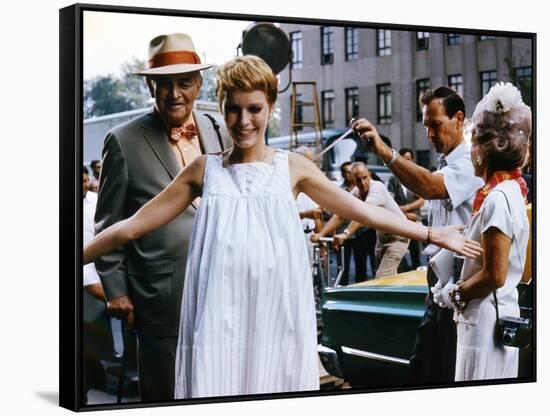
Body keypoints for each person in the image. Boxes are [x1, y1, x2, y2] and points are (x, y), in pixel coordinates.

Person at [85, 56, 481, 399]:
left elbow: (365, 213)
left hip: (277, 314)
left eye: (254, 109)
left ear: (270, 106)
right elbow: (131, 226)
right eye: (233, 110)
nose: (244, 121)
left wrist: (431, 234)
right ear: (220, 109)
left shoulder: (291, 168)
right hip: (217, 316)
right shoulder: (203, 170)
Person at [93, 32, 232, 401]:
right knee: (166, 392)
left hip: (221, 286)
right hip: (158, 295)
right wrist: (117, 291)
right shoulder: (122, 141)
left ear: (199, 83)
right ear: (150, 87)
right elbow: (108, 222)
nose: (175, 94)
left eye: (184, 83)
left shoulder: (218, 128)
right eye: (164, 84)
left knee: (217, 384)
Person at [352, 86, 485, 384]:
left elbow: (428, 187)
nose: (429, 134)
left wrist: (384, 152)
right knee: (423, 368)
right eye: (425, 125)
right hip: (437, 285)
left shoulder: (470, 164)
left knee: (444, 371)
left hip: (460, 287)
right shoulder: (446, 164)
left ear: (459, 119)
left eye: (435, 124)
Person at [432, 82, 531, 380]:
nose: (471, 150)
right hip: (492, 318)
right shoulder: (509, 190)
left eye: (472, 142)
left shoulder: (498, 199)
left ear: (485, 149)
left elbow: (495, 274)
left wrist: (454, 294)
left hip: (486, 321)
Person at [313, 162, 410, 279]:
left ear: (370, 175)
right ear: (353, 181)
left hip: (399, 236)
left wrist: (346, 234)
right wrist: (321, 234)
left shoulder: (377, 187)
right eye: (359, 180)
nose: (363, 183)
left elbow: (364, 215)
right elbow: (340, 215)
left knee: (382, 277)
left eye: (365, 178)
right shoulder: (356, 192)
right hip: (382, 237)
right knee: (388, 277)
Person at [386, 148, 425, 270]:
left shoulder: (416, 177)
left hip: (415, 220)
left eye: (409, 159)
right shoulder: (393, 179)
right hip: (400, 220)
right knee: (399, 255)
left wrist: (406, 208)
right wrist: (404, 213)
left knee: (416, 254)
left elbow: (422, 200)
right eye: (404, 159)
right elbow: (390, 200)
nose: (407, 162)